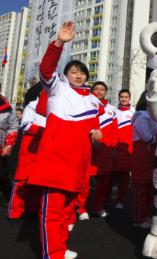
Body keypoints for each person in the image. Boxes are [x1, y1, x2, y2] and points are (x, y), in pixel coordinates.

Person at [26, 21, 103, 259]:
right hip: (56, 160)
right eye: (74, 71)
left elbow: (94, 128)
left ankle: (60, 245)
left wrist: (97, 133)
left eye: (82, 72)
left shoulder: (92, 100)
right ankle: (53, 253)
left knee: (68, 212)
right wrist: (59, 43)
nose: (78, 75)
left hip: (78, 163)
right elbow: (47, 69)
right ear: (66, 75)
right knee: (52, 211)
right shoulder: (57, 88)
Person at [76, 81, 118, 220]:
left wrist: (112, 148)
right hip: (89, 149)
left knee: (103, 184)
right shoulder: (84, 104)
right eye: (97, 89)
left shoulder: (112, 109)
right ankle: (81, 208)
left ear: (106, 92)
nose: (99, 92)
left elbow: (114, 131)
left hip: (105, 153)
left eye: (102, 90)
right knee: (84, 182)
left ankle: (98, 207)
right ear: (92, 91)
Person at [8, 89, 46, 219]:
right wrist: (48, 132)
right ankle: (15, 212)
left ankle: (33, 209)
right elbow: (25, 125)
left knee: (40, 180)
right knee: (23, 179)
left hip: (47, 147)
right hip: (31, 145)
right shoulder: (33, 105)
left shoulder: (59, 106)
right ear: (40, 92)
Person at [131, 90, 157, 228]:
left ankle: (146, 215)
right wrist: (155, 139)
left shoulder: (153, 115)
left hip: (150, 152)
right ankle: (139, 218)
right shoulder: (142, 116)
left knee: (149, 186)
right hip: (143, 152)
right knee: (141, 186)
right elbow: (147, 136)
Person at [112, 89, 135, 210]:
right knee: (111, 177)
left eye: (126, 97)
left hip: (129, 149)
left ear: (129, 98)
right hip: (115, 148)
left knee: (125, 178)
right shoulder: (113, 112)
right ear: (118, 97)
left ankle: (121, 200)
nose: (124, 99)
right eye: (121, 97)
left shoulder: (134, 112)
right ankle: (107, 200)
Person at [0, 95, 18, 205]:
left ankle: (10, 202)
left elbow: (13, 126)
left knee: (2, 177)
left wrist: (9, 144)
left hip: (1, 149)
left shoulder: (6, 108)